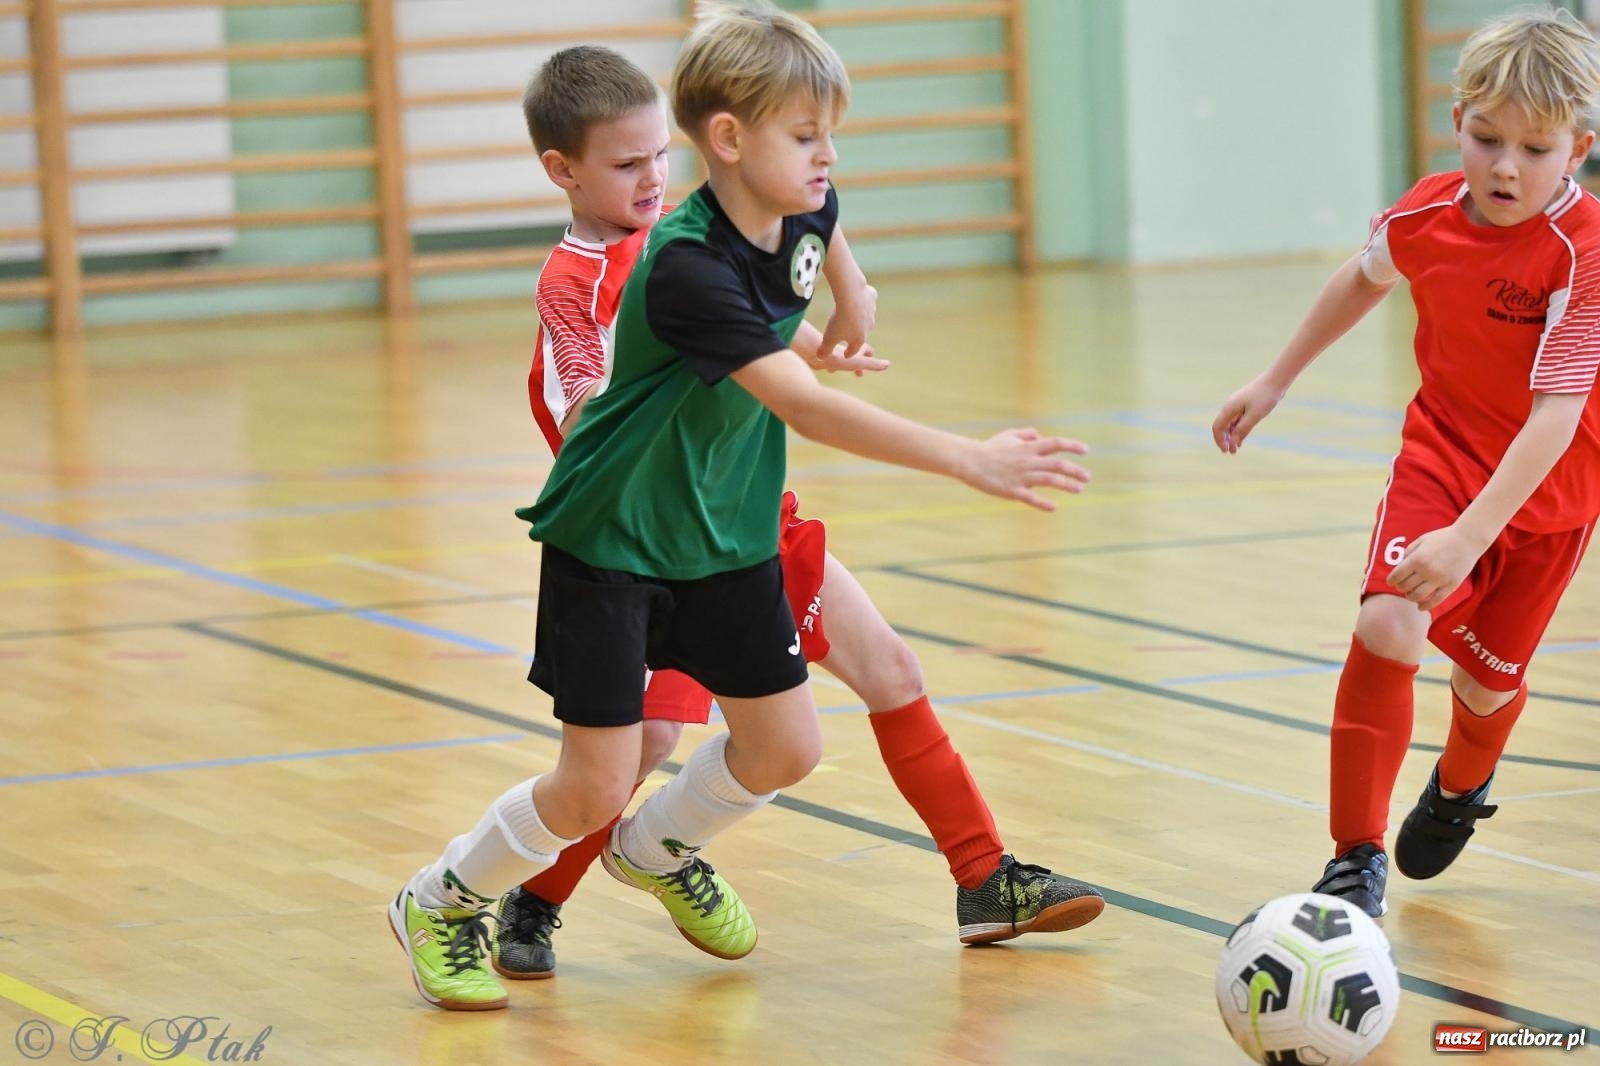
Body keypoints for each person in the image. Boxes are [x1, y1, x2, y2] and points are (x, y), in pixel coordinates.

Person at [391, 1, 1094, 1011]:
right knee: (613, 764)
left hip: (731, 525)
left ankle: (661, 849)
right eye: (805, 136)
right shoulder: (659, 269)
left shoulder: (781, 202)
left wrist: (850, 297)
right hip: (624, 533)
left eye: (823, 135)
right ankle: (456, 897)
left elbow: (813, 230)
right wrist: (963, 456)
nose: (824, 157)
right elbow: (750, 399)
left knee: (790, 739)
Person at [1211, 7, 1600, 919]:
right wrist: (1275, 380)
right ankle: (1354, 855)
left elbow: (1556, 416)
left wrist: (1470, 541)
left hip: (1549, 491)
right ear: (1456, 122)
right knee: (1390, 624)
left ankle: (1463, 785)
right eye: (1486, 137)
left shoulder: (1583, 253)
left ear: (1577, 149)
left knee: (1485, 683)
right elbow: (1362, 274)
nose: (1506, 167)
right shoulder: (1428, 208)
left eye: (1535, 149)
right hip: (1443, 457)